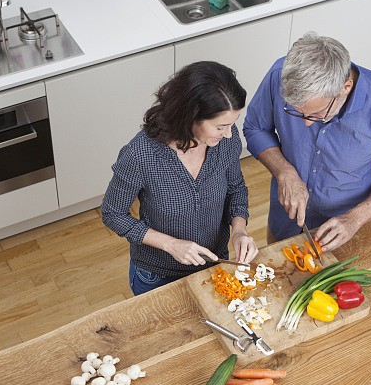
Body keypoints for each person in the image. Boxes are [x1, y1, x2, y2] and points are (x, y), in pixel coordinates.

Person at [243, 32, 371, 252]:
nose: (308, 124)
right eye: (297, 113)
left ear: (345, 87)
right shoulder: (280, 74)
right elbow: (255, 127)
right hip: (284, 220)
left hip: (344, 231)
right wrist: (284, 172)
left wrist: (354, 219)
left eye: (316, 113)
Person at [101, 61, 259, 296]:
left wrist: (239, 230)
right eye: (220, 126)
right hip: (157, 275)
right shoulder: (141, 154)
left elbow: (235, 188)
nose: (229, 133)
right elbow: (113, 214)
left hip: (215, 264)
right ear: (190, 117)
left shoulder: (225, 141)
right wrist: (171, 244)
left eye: (232, 124)